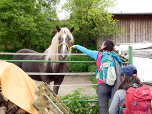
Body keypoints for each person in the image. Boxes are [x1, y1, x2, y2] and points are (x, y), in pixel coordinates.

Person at [71, 39, 122, 114]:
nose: (101, 45)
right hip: (114, 84)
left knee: (103, 108)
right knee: (114, 108)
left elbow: (86, 51)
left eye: (102, 44)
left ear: (104, 46)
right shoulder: (114, 55)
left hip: (102, 85)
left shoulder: (98, 54)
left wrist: (76, 46)